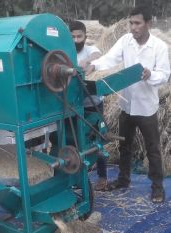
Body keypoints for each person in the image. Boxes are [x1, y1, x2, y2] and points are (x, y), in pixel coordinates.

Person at [87, 6, 170, 203]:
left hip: (146, 108)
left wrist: (151, 75)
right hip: (127, 105)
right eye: (131, 23)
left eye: (137, 23)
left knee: (153, 149)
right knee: (125, 145)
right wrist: (94, 65)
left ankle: (157, 188)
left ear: (148, 24)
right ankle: (123, 180)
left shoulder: (159, 46)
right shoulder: (125, 41)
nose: (133, 27)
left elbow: (165, 75)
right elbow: (110, 58)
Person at [69, 20, 108, 191]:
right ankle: (77, 178)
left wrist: (87, 63)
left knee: (97, 141)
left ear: (85, 36)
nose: (76, 40)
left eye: (79, 36)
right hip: (73, 106)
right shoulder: (64, 52)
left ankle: (102, 177)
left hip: (93, 104)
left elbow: (98, 54)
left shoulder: (90, 49)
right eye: (72, 37)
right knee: (75, 142)